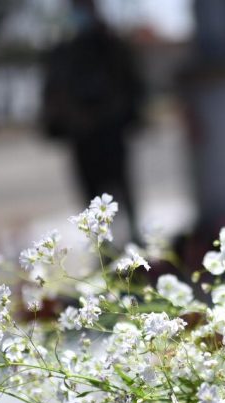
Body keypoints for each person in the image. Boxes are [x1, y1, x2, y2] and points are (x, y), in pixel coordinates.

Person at [41, 0, 145, 243]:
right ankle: (102, 250)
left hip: (111, 132)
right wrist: (68, 118)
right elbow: (53, 92)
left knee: (121, 188)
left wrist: (113, 115)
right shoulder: (64, 51)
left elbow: (130, 86)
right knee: (90, 195)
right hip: (81, 137)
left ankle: (133, 239)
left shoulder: (111, 46)